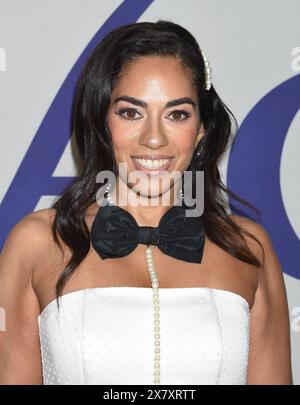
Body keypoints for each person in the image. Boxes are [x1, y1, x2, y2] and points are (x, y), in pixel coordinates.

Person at [0, 20, 293, 385]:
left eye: (177, 114)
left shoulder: (249, 248)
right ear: (102, 121)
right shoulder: (37, 242)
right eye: (130, 112)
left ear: (201, 128)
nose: (153, 138)